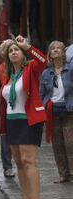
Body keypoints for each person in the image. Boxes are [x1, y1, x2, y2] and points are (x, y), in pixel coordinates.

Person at [0, 36, 47, 199]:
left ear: (23, 53)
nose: (13, 52)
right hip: (12, 121)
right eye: (10, 51)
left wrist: (28, 47)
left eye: (16, 49)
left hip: (29, 120)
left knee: (28, 161)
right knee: (18, 163)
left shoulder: (31, 68)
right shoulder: (6, 75)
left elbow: (44, 61)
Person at [40, 41, 73, 184]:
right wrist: (43, 106)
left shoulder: (70, 69)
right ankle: (63, 174)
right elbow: (41, 94)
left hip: (69, 109)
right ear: (49, 54)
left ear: (63, 52)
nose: (56, 50)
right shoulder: (46, 73)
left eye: (59, 48)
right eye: (53, 48)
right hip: (52, 111)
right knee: (57, 143)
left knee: (70, 142)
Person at [0, 39, 15, 178]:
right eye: (8, 49)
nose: (12, 52)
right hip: (5, 103)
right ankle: (7, 165)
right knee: (5, 135)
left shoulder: (25, 66)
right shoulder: (1, 68)